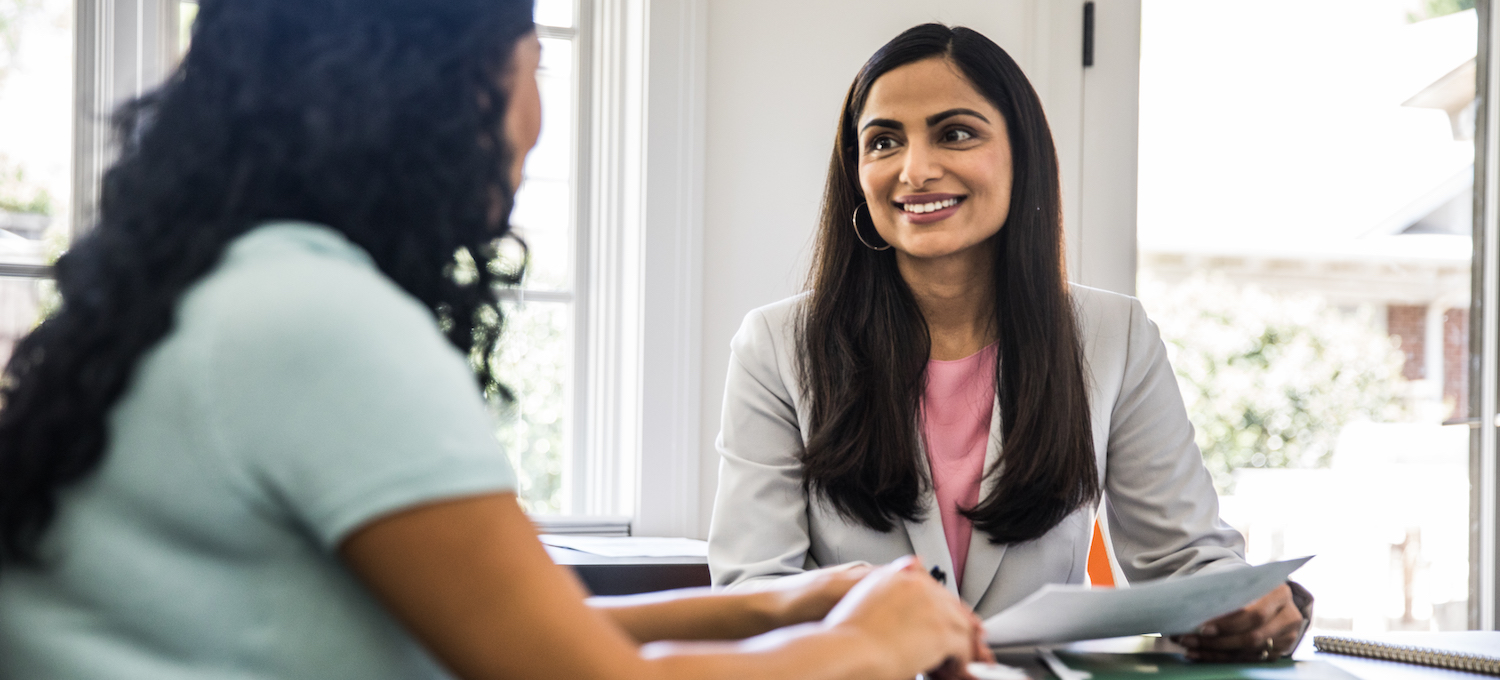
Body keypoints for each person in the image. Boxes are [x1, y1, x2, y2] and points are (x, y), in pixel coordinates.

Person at [0, 2, 993, 679]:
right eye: (534, 68)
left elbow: (515, 633)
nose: (537, 119)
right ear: (439, 92)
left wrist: (781, 608)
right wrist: (860, 642)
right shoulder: (321, 324)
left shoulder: (228, 285)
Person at [707, 23, 1313, 663]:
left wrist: (1253, 604)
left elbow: (1184, 559)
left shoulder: (1115, 336)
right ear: (856, 173)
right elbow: (752, 591)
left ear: (1021, 154)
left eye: (956, 133)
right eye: (884, 142)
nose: (915, 169)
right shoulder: (777, 347)